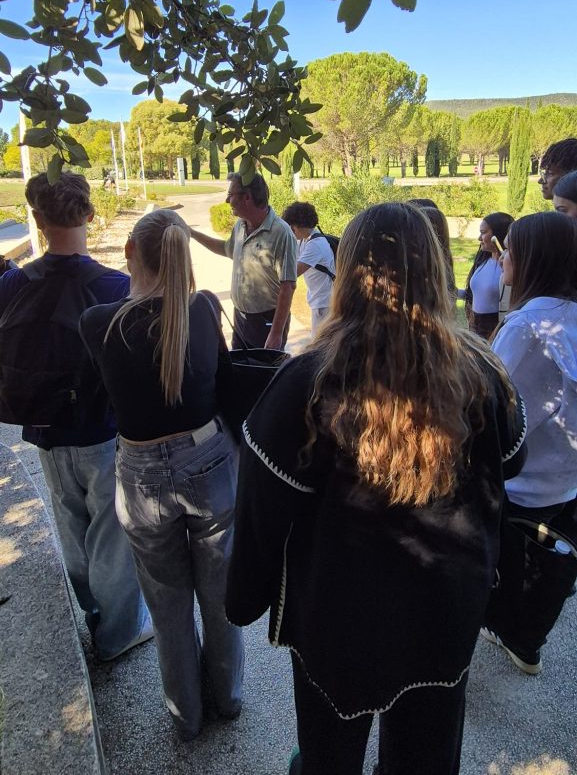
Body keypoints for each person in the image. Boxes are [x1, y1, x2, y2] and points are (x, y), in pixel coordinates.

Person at [226, 203, 526, 775]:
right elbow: (513, 462)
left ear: (350, 270)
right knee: (427, 756)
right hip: (443, 607)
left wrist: (243, 598)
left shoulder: (307, 381)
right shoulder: (482, 375)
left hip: (337, 618)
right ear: (434, 269)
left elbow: (262, 509)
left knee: (328, 759)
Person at [80, 209, 244, 741]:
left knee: (168, 606)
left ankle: (186, 716)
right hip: (210, 462)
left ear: (130, 251)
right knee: (219, 598)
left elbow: (99, 399)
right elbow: (220, 384)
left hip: (140, 473)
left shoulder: (98, 322)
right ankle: (229, 698)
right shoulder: (202, 307)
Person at [0, 172, 151, 661]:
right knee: (111, 531)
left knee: (70, 524)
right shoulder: (114, 285)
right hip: (102, 430)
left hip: (43, 429)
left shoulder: (13, 284)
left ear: (39, 221)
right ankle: (117, 633)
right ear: (89, 215)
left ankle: (89, 614)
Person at [483, 211, 577, 675]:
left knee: (511, 568)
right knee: (548, 566)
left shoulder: (526, 326)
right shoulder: (571, 317)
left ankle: (510, 633)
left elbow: (490, 404)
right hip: (565, 481)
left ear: (531, 260)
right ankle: (527, 636)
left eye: (510, 254)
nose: (503, 263)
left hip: (522, 484)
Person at [189, 172, 297, 350]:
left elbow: (288, 287)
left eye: (230, 195)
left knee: (263, 373)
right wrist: (193, 234)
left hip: (266, 321)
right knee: (239, 371)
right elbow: (226, 249)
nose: (226, 201)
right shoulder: (240, 225)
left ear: (247, 197)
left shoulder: (281, 233)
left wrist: (276, 334)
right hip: (240, 318)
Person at [282, 201, 334, 334]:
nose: (291, 232)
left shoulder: (316, 245)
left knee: (319, 346)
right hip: (318, 301)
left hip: (325, 304)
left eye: (292, 228)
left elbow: (292, 273)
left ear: (299, 226)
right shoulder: (306, 240)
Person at [464, 212, 513, 339]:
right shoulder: (482, 261)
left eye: (483, 232)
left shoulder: (510, 267)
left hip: (497, 329)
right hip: (475, 327)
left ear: (498, 234)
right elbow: (474, 295)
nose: (479, 238)